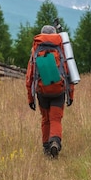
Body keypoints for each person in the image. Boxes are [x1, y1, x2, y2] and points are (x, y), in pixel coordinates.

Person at [25, 24, 74, 158]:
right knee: (56, 119)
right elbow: (68, 71)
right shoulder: (60, 47)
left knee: (46, 119)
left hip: (42, 91)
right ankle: (55, 142)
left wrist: (30, 98)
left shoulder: (36, 48)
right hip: (59, 89)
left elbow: (29, 76)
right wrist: (71, 95)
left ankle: (47, 149)